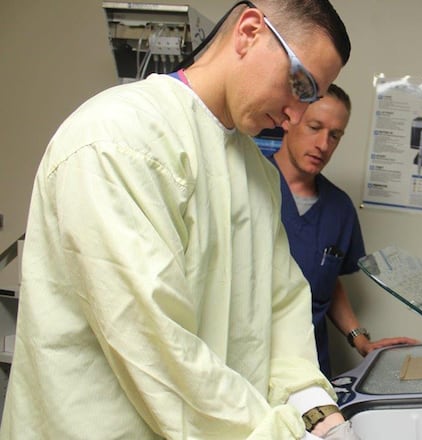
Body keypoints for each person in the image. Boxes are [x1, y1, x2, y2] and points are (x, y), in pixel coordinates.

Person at [0, 1, 360, 439]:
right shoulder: (118, 138)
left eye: (311, 97)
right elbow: (154, 343)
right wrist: (280, 433)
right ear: (249, 32)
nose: (296, 116)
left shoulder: (258, 174)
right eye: (299, 85)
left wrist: (315, 409)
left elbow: (281, 307)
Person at [267, 84, 417, 378]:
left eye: (334, 135)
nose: (323, 144)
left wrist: (360, 340)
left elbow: (326, 280)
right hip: (249, 355)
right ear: (289, 120)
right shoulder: (250, 183)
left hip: (309, 365)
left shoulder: (339, 208)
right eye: (315, 127)